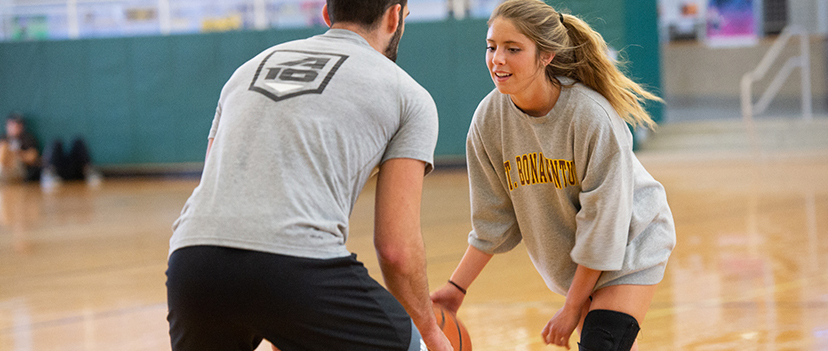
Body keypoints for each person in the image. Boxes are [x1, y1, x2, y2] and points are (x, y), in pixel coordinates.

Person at [166, 1, 452, 350]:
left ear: (327, 15)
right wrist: (429, 331)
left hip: (193, 262)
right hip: (296, 267)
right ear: (395, 16)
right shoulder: (409, 95)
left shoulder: (246, 71)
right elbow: (396, 249)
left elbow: (214, 180)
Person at [429, 1, 676, 351]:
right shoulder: (488, 120)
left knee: (602, 342)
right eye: (492, 46)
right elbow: (493, 220)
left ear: (546, 55)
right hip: (576, 259)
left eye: (513, 49)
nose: (497, 59)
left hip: (630, 242)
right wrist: (456, 288)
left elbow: (603, 225)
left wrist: (572, 307)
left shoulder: (591, 117)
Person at [0, 113, 41, 183]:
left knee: (4, 148)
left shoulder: (27, 139)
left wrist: (14, 153)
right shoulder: (3, 138)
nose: (15, 126)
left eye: (18, 124)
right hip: (2, 167)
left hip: (19, 169)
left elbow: (32, 157)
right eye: (12, 124)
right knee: (4, 148)